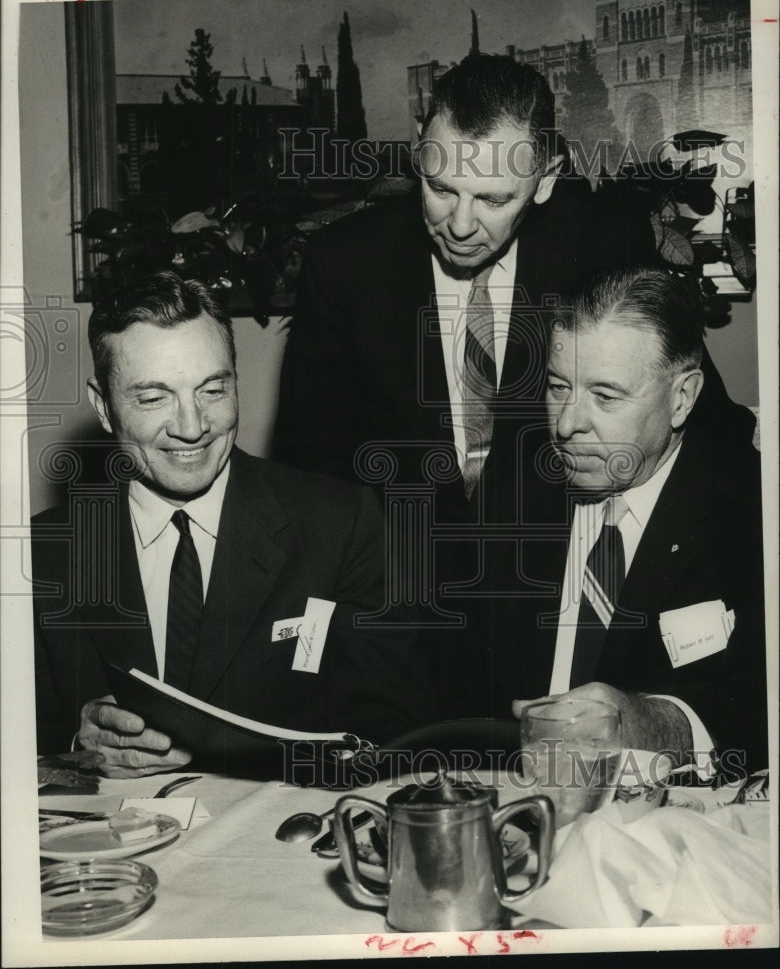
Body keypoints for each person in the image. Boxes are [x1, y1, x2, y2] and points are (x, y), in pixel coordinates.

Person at [273, 52, 752, 717]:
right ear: (420, 149)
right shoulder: (344, 264)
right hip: (399, 613)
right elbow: (308, 468)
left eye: (494, 199)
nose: (461, 225)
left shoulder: (602, 239)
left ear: (548, 179)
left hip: (552, 610)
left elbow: (709, 427)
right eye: (441, 188)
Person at [32, 272, 431, 777]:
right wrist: (78, 745)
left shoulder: (342, 524)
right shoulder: (43, 552)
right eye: (153, 398)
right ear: (103, 406)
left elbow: (394, 732)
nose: (192, 426)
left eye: (213, 389)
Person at [480, 267, 766, 769]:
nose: (568, 424)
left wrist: (650, 722)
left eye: (605, 396)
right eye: (557, 387)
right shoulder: (508, 498)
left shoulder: (753, 512)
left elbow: (762, 700)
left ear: (682, 397)